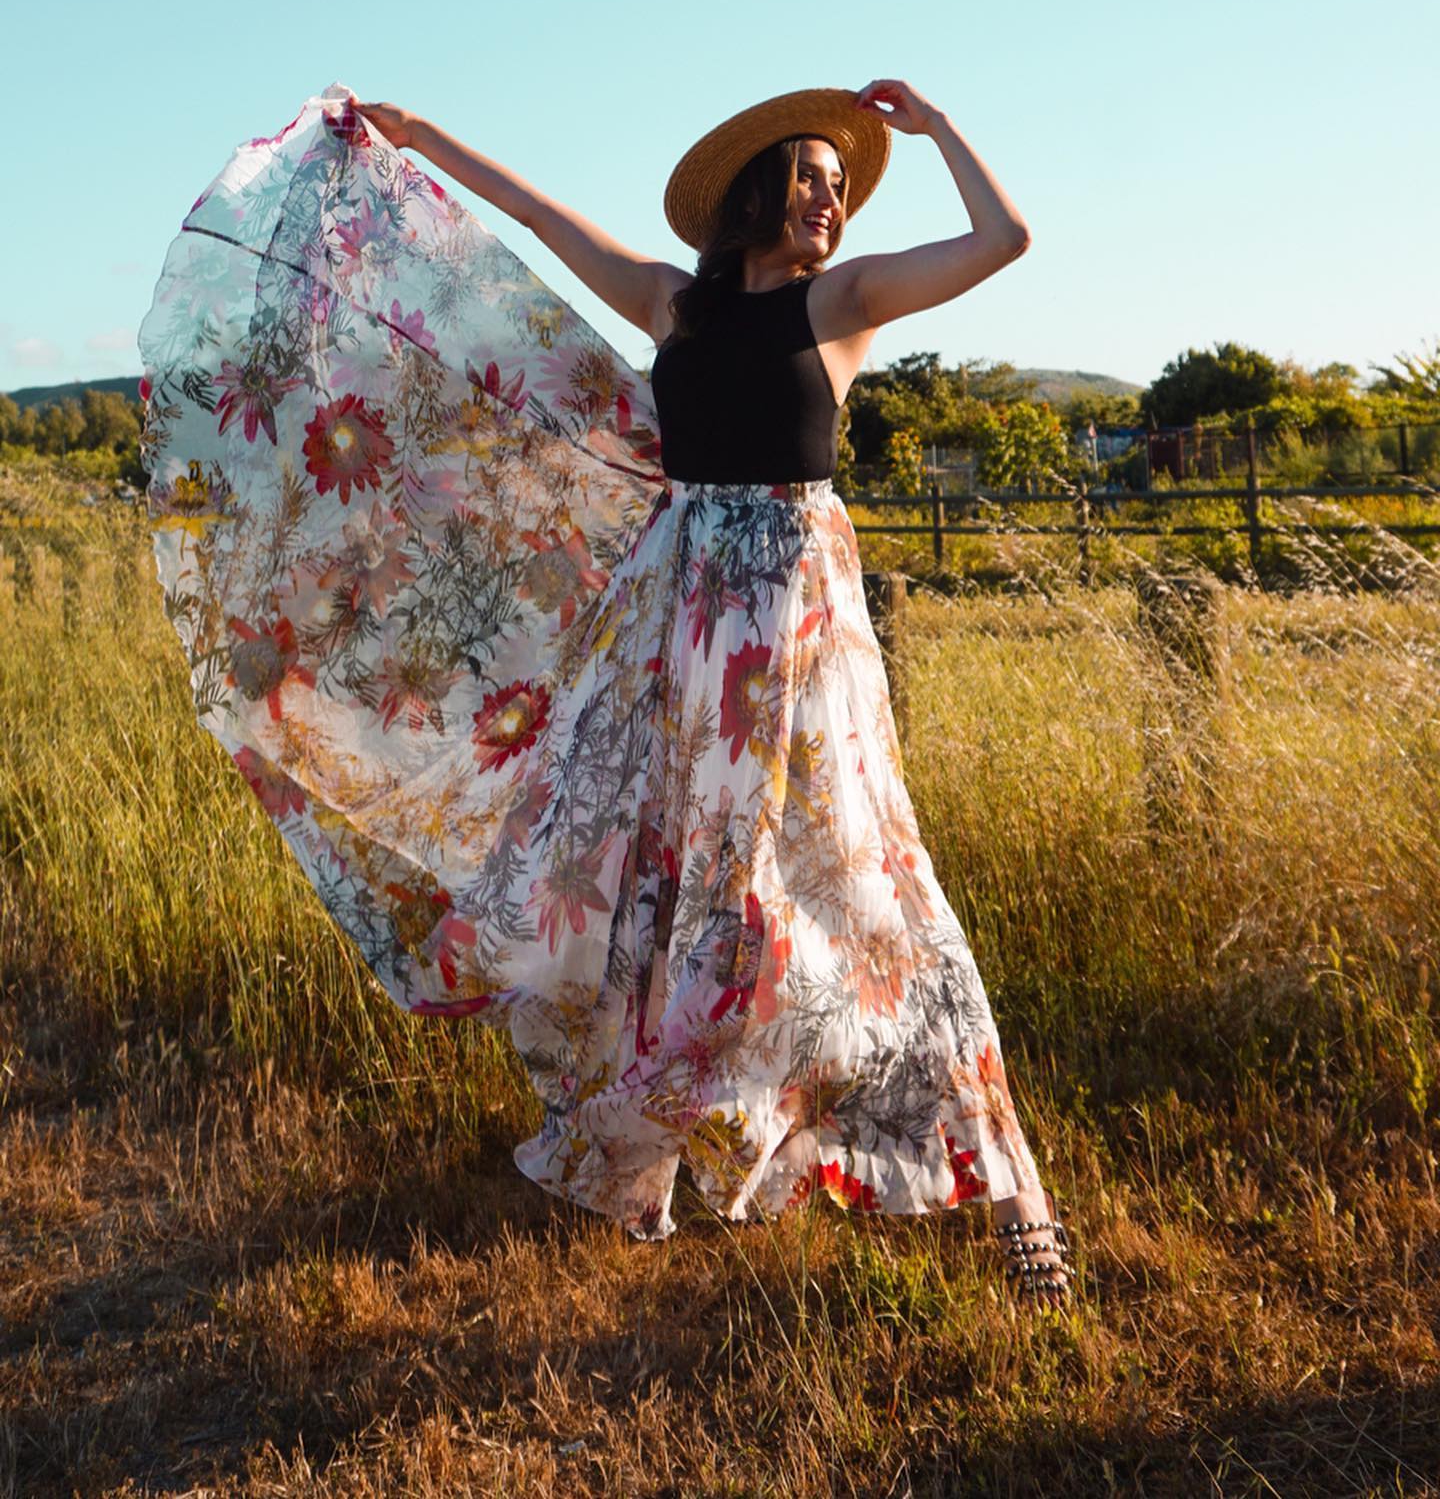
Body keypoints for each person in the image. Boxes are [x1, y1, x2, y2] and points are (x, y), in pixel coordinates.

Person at [139, 78, 1074, 1303]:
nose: (829, 202)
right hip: (676, 632)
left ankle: (1013, 1189)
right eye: (809, 177)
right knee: (657, 879)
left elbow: (1004, 243)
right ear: (755, 192)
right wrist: (422, 141)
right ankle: (693, 1116)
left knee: (872, 881)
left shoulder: (841, 304)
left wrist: (938, 129)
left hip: (795, 637)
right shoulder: (672, 304)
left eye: (840, 188)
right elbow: (535, 217)